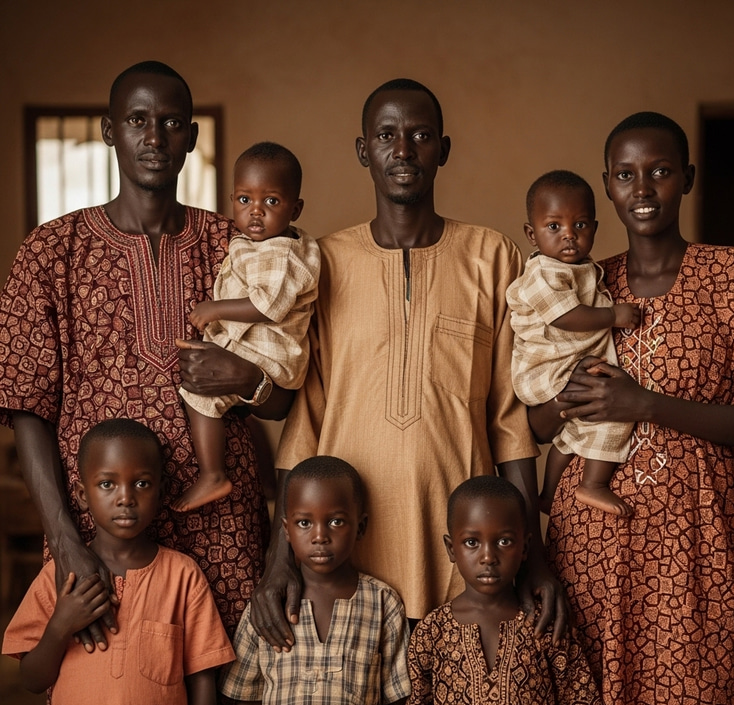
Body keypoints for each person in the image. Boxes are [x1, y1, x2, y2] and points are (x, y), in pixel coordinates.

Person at [0, 61, 289, 705]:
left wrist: (251, 381)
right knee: (103, 696)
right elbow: (25, 404)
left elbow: (289, 393)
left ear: (191, 138)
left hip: (220, 521)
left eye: (169, 122)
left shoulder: (243, 245)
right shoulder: (50, 252)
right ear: (108, 132)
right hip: (99, 530)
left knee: (224, 696)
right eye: (137, 119)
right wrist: (63, 534)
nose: (154, 135)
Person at [528, 112, 734, 705]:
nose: (642, 187)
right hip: (592, 552)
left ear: (687, 178)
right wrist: (566, 398)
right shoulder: (583, 280)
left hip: (700, 555)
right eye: (625, 174)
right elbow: (534, 417)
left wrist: (645, 405)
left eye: (658, 171)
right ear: (607, 188)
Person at [254, 78, 567, 648]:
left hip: (463, 555)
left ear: (442, 150)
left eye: (421, 136)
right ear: (362, 150)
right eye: (386, 136)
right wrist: (280, 559)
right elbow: (305, 426)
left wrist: (536, 558)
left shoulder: (492, 257)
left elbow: (511, 424)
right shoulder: (323, 263)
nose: (403, 151)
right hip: (346, 552)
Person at [2, 419, 235, 705]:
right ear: (81, 494)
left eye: (141, 483)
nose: (125, 497)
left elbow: (203, 683)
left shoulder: (183, 575)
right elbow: (31, 680)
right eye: (107, 484)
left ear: (160, 492)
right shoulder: (58, 579)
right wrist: (61, 626)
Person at [398, 476, 601, 705]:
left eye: (504, 542)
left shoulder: (547, 626)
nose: (488, 556)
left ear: (525, 547)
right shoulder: (431, 632)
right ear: (452, 548)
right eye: (472, 543)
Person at [221, 456, 410, 705]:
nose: (320, 536)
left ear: (361, 526)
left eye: (336, 521)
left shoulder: (383, 604)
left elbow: (395, 702)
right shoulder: (266, 608)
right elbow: (248, 700)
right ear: (286, 530)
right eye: (304, 523)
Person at [175, 142, 320, 512]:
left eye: (271, 202)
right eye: (244, 200)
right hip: (258, 347)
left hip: (270, 353)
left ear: (295, 208)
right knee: (200, 372)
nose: (255, 212)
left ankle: (212, 474)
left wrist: (214, 309)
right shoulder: (254, 242)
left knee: (200, 394)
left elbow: (267, 305)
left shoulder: (282, 252)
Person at [507, 170, 641, 517]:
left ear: (594, 229)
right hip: (546, 369)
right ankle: (592, 484)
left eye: (580, 225)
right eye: (554, 227)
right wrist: (614, 316)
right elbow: (566, 317)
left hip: (561, 368)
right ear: (531, 234)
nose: (569, 235)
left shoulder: (580, 268)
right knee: (612, 414)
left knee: (573, 434)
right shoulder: (541, 273)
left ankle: (547, 495)